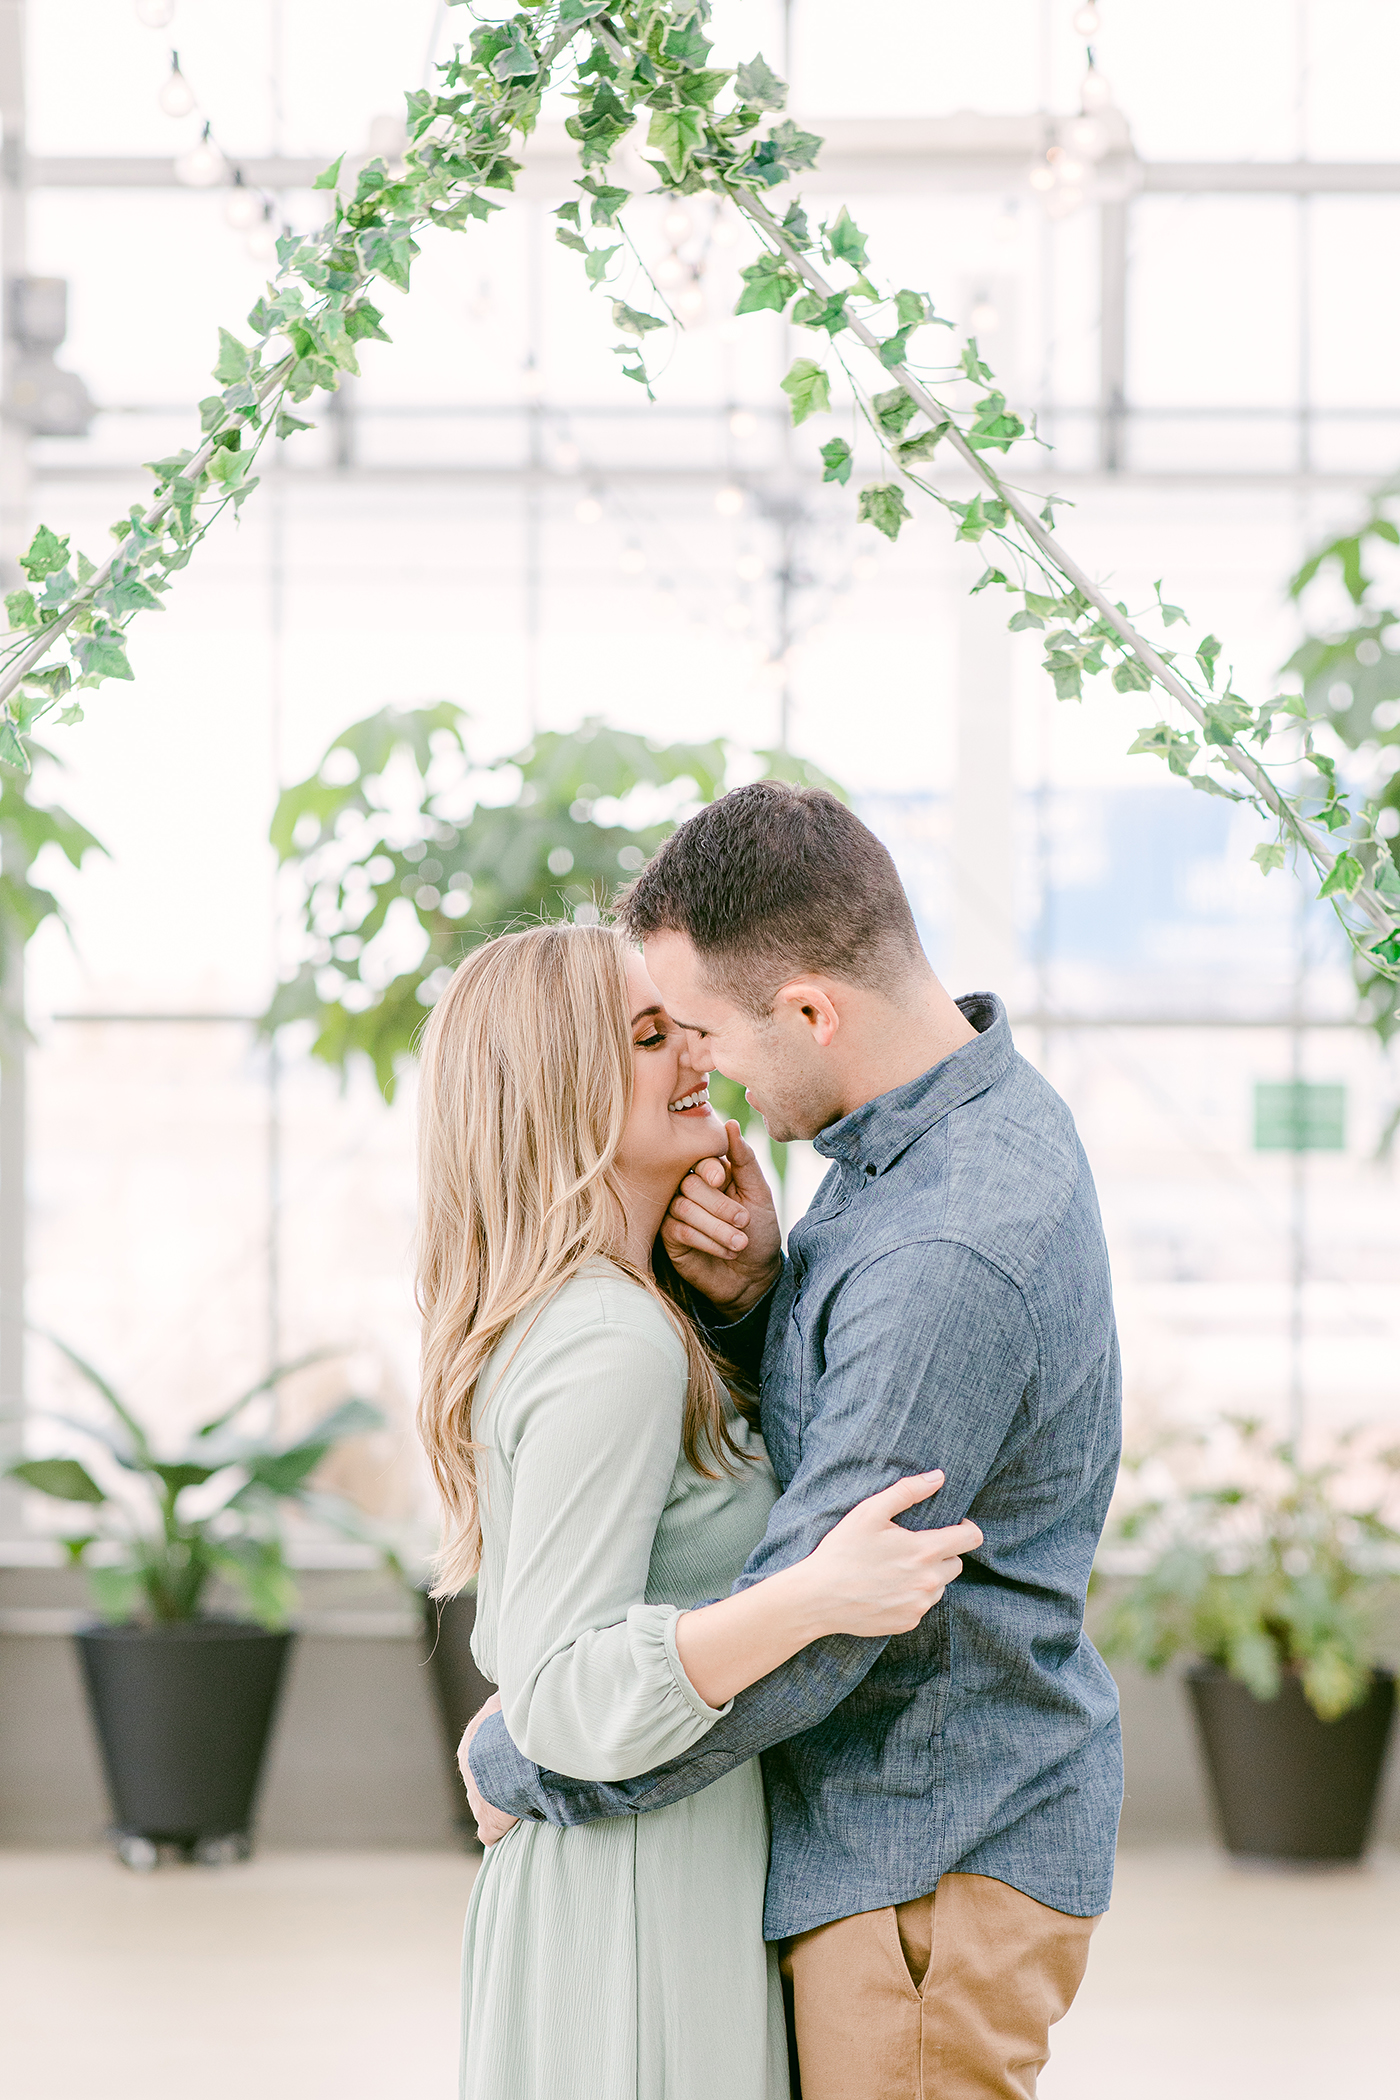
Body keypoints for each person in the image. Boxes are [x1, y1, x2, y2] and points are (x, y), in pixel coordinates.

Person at [467, 783, 1124, 2099]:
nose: (701, 1071)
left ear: (814, 1009)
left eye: (698, 1031)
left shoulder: (946, 1245)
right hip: (898, 1833)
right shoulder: (924, 1147)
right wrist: (770, 1298)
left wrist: (534, 1763)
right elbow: (860, 1444)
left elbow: (825, 1622)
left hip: (921, 1854)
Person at [415, 920, 981, 2100]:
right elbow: (564, 1694)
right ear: (557, 1088)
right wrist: (811, 1598)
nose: (700, 1058)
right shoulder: (610, 1341)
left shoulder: (625, 1317)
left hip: (638, 1880)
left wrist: (748, 1295)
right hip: (632, 1906)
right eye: (649, 1035)